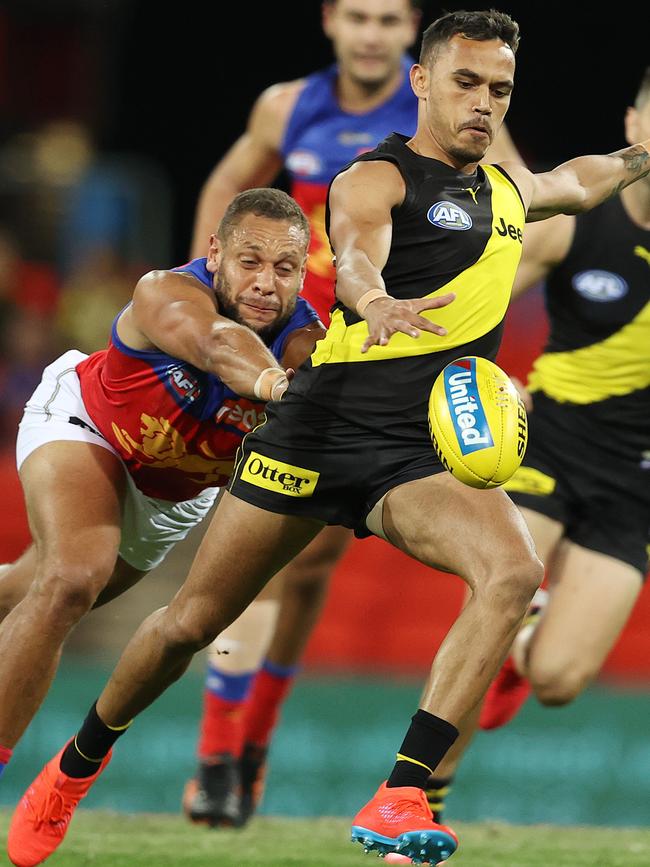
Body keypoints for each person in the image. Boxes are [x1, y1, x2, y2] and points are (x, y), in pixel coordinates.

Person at [9, 10, 650, 866]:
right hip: (316, 432)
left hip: (413, 455)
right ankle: (74, 766)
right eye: (464, 82)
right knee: (189, 623)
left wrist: (642, 157)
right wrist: (373, 296)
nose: (483, 104)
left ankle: (403, 791)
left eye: (499, 89)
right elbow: (353, 250)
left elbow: (584, 176)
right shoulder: (374, 178)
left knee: (512, 570)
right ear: (421, 81)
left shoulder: (509, 193)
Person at [183, 0, 422, 828]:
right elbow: (228, 182)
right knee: (260, 556)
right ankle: (220, 754)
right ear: (330, 21)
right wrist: (204, 282)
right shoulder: (287, 105)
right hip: (284, 358)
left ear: (410, 32)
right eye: (357, 15)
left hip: (376, 359)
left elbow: (516, 210)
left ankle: (252, 741)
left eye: (389, 20)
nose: (370, 33)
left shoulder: (437, 113)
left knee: (311, 564)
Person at [0, 187, 324, 789]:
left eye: (284, 269)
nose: (264, 283)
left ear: (304, 274)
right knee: (71, 579)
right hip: (86, 424)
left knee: (29, 593)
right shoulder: (166, 293)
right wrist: (279, 387)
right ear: (216, 254)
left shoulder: (312, 346)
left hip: (170, 498)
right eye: (249, 262)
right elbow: (216, 344)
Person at [400, 64, 650, 839]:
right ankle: (420, 804)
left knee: (559, 682)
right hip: (550, 443)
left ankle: (524, 654)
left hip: (635, 480)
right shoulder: (580, 223)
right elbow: (485, 293)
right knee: (496, 598)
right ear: (633, 124)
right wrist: (494, 379)